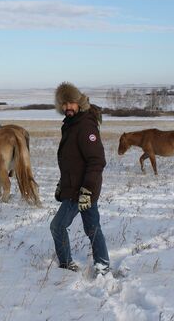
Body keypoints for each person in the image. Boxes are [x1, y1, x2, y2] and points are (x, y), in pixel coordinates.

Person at [50, 82, 110, 276]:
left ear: (79, 102)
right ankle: (102, 265)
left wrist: (87, 190)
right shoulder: (71, 124)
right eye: (64, 103)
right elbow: (72, 161)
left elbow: (96, 160)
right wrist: (62, 183)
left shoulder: (85, 125)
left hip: (81, 190)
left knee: (57, 226)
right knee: (93, 228)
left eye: (71, 102)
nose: (68, 107)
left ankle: (67, 265)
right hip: (76, 186)